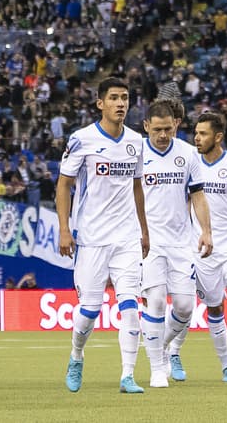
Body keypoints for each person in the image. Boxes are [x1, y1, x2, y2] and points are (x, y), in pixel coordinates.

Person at [57, 77, 150, 395]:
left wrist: (144, 230)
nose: (121, 103)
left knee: (130, 307)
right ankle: (76, 355)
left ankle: (127, 376)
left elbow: (137, 186)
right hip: (92, 238)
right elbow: (64, 184)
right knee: (88, 314)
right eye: (114, 98)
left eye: (125, 97)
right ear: (100, 103)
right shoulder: (82, 139)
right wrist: (64, 229)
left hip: (126, 238)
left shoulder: (136, 141)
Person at [168, 111, 227, 384]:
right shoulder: (189, 163)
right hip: (200, 249)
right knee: (214, 308)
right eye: (195, 133)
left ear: (218, 136)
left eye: (203, 134)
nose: (197, 138)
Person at [137, 100, 213, 388]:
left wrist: (206, 231)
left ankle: (163, 346)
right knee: (155, 301)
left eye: (168, 129)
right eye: (157, 129)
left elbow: (198, 196)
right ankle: (157, 369)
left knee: (184, 307)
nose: (163, 135)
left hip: (181, 244)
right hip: (149, 242)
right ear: (146, 127)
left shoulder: (188, 154)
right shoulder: (137, 154)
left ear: (175, 125)